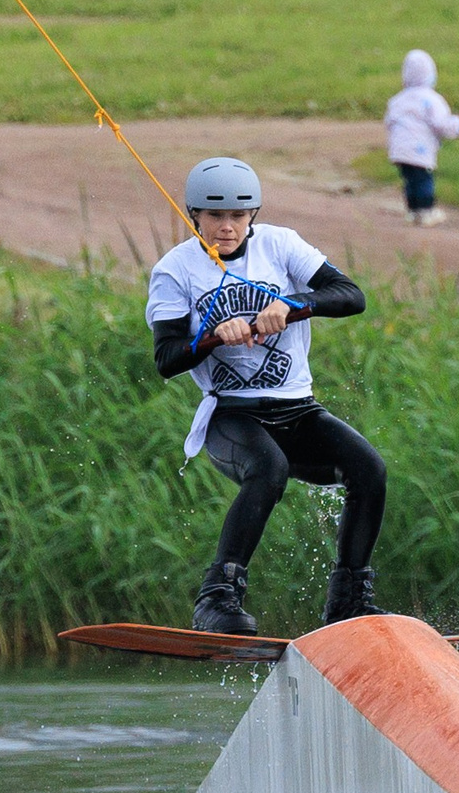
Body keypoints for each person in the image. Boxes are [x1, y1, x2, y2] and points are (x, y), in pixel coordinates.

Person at [146, 157, 384, 634]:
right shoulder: (175, 270)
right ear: (194, 215)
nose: (227, 227)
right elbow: (166, 358)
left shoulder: (280, 245)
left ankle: (348, 600)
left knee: (369, 470)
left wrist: (294, 306)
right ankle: (217, 599)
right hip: (231, 416)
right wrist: (212, 337)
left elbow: (350, 295)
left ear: (252, 214)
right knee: (268, 469)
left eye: (238, 216)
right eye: (215, 216)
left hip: (298, 411)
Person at [384, 49, 459, 226]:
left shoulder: (398, 100)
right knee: (423, 179)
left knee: (410, 180)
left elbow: (389, 121)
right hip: (420, 149)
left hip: (399, 149)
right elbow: (441, 123)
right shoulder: (432, 100)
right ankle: (426, 211)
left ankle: (413, 211)